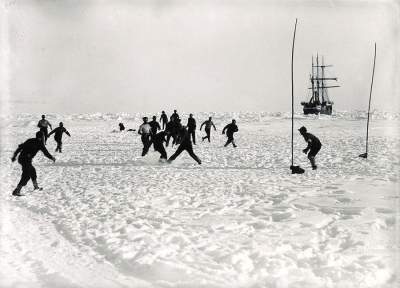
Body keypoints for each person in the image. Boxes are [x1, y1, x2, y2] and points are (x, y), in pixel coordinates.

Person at [11, 131, 56, 196]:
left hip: (22, 159)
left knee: (32, 171)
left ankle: (35, 186)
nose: (43, 138)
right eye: (43, 136)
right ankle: (17, 190)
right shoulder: (40, 144)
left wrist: (14, 156)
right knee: (26, 175)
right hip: (25, 160)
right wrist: (52, 158)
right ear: (41, 137)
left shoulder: (30, 140)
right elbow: (45, 152)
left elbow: (20, 147)